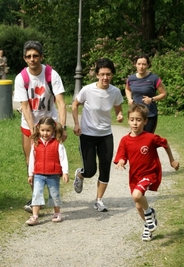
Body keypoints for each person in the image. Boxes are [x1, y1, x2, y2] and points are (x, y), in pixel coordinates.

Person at [13, 40, 67, 213]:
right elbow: (25, 106)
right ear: (24, 58)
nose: (32, 59)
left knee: (53, 158)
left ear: (41, 57)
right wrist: (33, 130)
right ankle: (37, 198)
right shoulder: (21, 78)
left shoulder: (51, 74)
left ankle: (53, 195)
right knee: (31, 160)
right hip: (30, 123)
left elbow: (60, 102)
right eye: (28, 56)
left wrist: (62, 127)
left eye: (35, 56)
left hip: (50, 123)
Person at [114, 103, 179, 241]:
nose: (135, 123)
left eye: (138, 120)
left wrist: (172, 160)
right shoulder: (125, 140)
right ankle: (148, 225)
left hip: (150, 173)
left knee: (137, 195)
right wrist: (121, 162)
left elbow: (165, 143)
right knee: (138, 205)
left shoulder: (150, 138)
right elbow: (122, 156)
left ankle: (150, 213)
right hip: (134, 176)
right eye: (132, 119)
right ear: (128, 120)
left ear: (145, 121)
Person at [72, 57, 124, 212]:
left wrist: (120, 115)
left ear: (112, 75)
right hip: (87, 134)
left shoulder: (115, 92)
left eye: (108, 74)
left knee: (105, 168)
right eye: (102, 74)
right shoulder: (87, 90)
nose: (105, 77)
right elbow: (75, 105)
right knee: (90, 170)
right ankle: (80, 175)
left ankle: (99, 200)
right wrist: (76, 123)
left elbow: (118, 109)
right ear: (96, 75)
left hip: (105, 135)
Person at [25, 116, 69, 225]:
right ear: (39, 130)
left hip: (53, 174)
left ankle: (57, 213)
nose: (45, 133)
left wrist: (65, 172)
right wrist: (31, 174)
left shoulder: (58, 143)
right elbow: (32, 160)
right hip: (39, 174)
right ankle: (35, 216)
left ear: (53, 130)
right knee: (36, 194)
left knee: (54, 194)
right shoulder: (36, 144)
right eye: (43, 130)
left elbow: (63, 158)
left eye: (48, 130)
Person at [125, 54, 167, 133]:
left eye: (144, 64)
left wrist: (152, 99)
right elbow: (127, 89)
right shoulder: (131, 79)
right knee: (136, 138)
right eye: (139, 64)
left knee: (147, 139)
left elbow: (164, 94)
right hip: (135, 115)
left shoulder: (154, 78)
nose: (141, 67)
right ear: (135, 65)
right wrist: (129, 99)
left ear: (148, 65)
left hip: (149, 115)